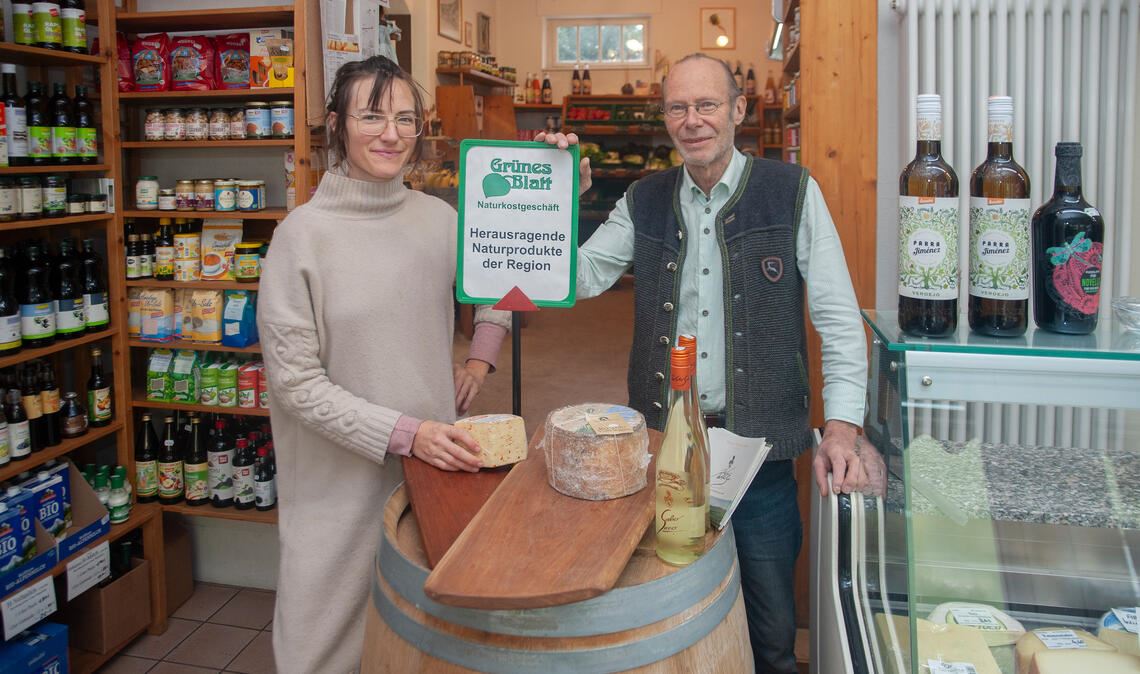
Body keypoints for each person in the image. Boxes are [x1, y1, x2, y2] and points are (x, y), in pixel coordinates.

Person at [540, 53, 880, 673]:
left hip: (761, 454)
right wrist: (551, 196)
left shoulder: (792, 192)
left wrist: (843, 425)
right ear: (665, 116)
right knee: (673, 611)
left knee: (773, 626)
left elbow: (837, 316)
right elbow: (581, 278)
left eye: (706, 105)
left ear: (738, 111)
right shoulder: (643, 199)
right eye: (678, 107)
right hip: (668, 444)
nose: (692, 120)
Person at [258, 56, 510, 673]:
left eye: (405, 119)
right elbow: (295, 385)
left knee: (417, 640)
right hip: (335, 487)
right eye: (372, 116)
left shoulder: (440, 220)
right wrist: (408, 433)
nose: (391, 134)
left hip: (429, 478)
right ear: (338, 124)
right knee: (321, 648)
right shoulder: (302, 236)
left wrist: (479, 360)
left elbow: (504, 281)